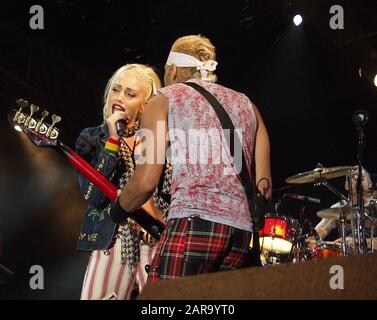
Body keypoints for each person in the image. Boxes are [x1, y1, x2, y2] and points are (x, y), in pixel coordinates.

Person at [109, 35, 272, 282]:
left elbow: (145, 181)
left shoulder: (164, 98)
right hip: (241, 236)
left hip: (192, 225)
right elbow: (264, 188)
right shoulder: (249, 106)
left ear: (173, 69)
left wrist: (118, 210)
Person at [75, 63, 166, 299]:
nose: (119, 98)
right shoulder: (92, 138)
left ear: (146, 104)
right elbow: (93, 196)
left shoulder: (161, 140)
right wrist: (113, 141)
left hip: (157, 243)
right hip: (114, 241)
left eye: (130, 94)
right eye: (116, 90)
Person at [314, 168, 377, 251]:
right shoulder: (338, 208)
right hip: (347, 259)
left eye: (361, 178)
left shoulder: (374, 205)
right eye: (353, 177)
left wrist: (356, 242)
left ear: (369, 184)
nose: (356, 178)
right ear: (346, 185)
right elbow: (316, 236)